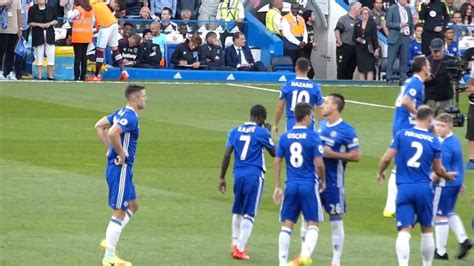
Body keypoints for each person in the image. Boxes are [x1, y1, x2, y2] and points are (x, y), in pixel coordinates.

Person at [377, 105, 456, 266]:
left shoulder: (402, 134)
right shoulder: (433, 140)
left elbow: (386, 158)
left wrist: (380, 172)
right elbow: (438, 169)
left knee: (404, 231)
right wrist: (447, 176)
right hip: (424, 188)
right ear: (429, 119)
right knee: (427, 229)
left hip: (404, 187)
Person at [94, 84, 147, 266]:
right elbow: (112, 132)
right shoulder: (130, 116)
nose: (145, 99)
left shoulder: (120, 112)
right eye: (143, 96)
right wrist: (120, 153)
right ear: (134, 99)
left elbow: (99, 126)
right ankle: (109, 256)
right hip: (121, 169)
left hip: (120, 169)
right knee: (120, 210)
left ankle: (109, 241)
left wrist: (110, 150)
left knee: (133, 205)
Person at [218, 104, 275, 261]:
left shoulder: (234, 130)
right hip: (254, 175)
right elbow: (274, 152)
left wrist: (222, 177)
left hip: (238, 174)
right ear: (261, 119)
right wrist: (268, 133)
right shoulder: (262, 131)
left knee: (238, 210)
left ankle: (234, 244)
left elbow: (227, 154)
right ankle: (240, 249)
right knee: (249, 212)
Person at [273, 102, 325, 266]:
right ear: (307, 117)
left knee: (287, 225)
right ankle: (305, 255)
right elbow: (319, 164)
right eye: (311, 116)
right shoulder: (313, 137)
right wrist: (323, 180)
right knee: (313, 223)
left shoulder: (284, 137)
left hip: (291, 185)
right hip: (308, 184)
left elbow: (277, 162)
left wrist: (277, 186)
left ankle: (282, 262)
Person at [315, 93, 361, 266]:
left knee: (335, 218)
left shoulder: (347, 130)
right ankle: (306, 254)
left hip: (334, 182)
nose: (322, 105)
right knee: (310, 217)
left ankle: (336, 260)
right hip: (316, 180)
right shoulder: (321, 125)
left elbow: (356, 156)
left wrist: (333, 154)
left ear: (335, 106)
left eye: (326, 102)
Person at [383, 56, 430, 218]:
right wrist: (419, 116)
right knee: (402, 166)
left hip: (402, 125)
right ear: (423, 67)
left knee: (406, 165)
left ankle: (397, 204)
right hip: (405, 127)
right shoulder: (415, 82)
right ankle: (391, 205)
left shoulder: (414, 82)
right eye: (428, 64)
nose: (429, 67)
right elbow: (405, 101)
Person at [432, 113, 472, 260]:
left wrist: (430, 180)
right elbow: (458, 164)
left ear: (450, 126)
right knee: (449, 212)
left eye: (442, 126)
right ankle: (463, 240)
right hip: (455, 183)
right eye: (437, 125)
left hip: (445, 184)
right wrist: (460, 182)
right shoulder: (454, 141)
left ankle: (441, 252)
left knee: (440, 215)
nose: (439, 128)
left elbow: (441, 169)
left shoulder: (446, 145)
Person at [273, 57, 323, 135]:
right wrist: (322, 127)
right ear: (309, 69)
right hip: (308, 122)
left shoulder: (287, 86)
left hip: (292, 122)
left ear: (296, 68)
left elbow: (280, 108)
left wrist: (276, 124)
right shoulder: (315, 87)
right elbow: (320, 109)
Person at [87, 0, 128, 82]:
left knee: (100, 50)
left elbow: (92, 19)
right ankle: (124, 71)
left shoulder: (91, 4)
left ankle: (96, 75)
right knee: (115, 49)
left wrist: (89, 30)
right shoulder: (102, 3)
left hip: (105, 26)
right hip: (113, 24)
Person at [424, 38, 455, 116]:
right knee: (428, 125)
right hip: (430, 98)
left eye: (439, 51)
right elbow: (418, 77)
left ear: (443, 48)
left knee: (444, 124)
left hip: (446, 98)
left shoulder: (451, 60)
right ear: (430, 49)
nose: (437, 53)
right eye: (435, 51)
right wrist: (425, 78)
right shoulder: (426, 61)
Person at [28, 0, 58, 80]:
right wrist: (39, 25)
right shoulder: (32, 9)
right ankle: (39, 74)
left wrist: (50, 23)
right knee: (38, 53)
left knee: (51, 53)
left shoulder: (51, 8)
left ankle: (50, 74)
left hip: (49, 33)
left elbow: (56, 20)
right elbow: (30, 22)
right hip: (38, 33)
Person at [65, 0, 94, 81]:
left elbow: (69, 16)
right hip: (87, 35)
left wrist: (72, 8)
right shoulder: (90, 9)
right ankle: (83, 75)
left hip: (78, 36)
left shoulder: (78, 9)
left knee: (77, 57)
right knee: (84, 56)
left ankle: (76, 76)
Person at [386, 0, 413, 85]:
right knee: (391, 59)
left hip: (405, 36)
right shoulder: (392, 9)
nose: (404, 1)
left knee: (404, 59)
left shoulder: (408, 9)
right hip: (395, 36)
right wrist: (399, 25)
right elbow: (388, 24)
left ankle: (403, 78)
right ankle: (389, 78)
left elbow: (411, 23)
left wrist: (411, 34)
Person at [335, 1, 361, 80]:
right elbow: (337, 30)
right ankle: (340, 86)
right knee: (342, 68)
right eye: (359, 8)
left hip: (355, 48)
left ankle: (348, 85)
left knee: (351, 69)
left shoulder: (359, 21)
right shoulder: (343, 19)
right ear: (354, 8)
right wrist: (339, 41)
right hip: (345, 47)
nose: (361, 10)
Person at [353, 6, 379, 81]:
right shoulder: (357, 24)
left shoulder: (372, 24)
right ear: (361, 14)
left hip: (369, 49)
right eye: (364, 13)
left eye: (367, 13)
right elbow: (353, 37)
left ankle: (369, 84)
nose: (365, 15)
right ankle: (362, 84)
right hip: (360, 49)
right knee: (361, 68)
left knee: (369, 68)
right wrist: (358, 39)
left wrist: (376, 49)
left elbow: (374, 37)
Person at [0, 0, 21, 80]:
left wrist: (20, 28)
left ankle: (9, 72)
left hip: (14, 29)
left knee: (11, 52)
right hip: (2, 29)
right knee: (1, 51)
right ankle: (0, 71)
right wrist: (6, 2)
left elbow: (19, 13)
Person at [281, 2, 306, 66]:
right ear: (291, 9)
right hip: (290, 47)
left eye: (297, 9)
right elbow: (287, 34)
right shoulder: (285, 18)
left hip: (300, 47)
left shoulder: (301, 19)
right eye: (294, 9)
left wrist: (304, 41)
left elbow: (305, 32)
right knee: (290, 65)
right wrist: (299, 43)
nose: (296, 10)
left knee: (301, 66)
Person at [302, 9, 318, 79]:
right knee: (310, 72)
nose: (315, 16)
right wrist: (311, 45)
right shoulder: (304, 27)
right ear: (309, 18)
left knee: (308, 72)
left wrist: (313, 44)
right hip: (303, 53)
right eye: (313, 15)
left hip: (309, 53)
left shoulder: (311, 27)